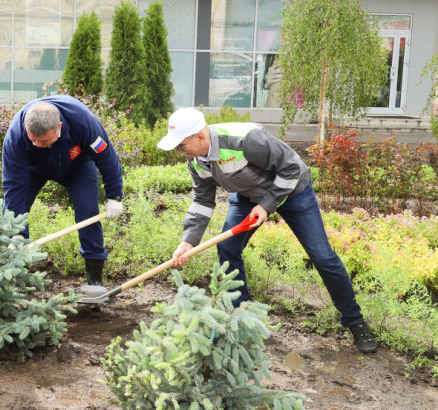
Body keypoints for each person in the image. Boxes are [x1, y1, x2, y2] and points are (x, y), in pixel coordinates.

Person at [157, 107, 378, 354]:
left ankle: (355, 321)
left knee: (322, 256)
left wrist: (266, 205)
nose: (179, 152)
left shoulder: (246, 139)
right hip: (249, 195)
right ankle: (242, 320)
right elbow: (202, 200)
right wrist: (188, 241)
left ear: (200, 136)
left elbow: (291, 168)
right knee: (227, 247)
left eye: (181, 145)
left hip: (293, 192)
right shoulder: (196, 159)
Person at [1, 95, 124, 297]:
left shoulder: (82, 121)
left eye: (44, 140)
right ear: (26, 127)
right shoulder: (16, 136)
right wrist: (16, 233)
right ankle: (16, 279)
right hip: (33, 170)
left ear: (59, 127)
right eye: (33, 139)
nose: (38, 144)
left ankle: (94, 280)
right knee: (12, 215)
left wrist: (115, 196)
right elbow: (13, 185)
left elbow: (106, 156)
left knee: (88, 213)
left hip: (77, 166)